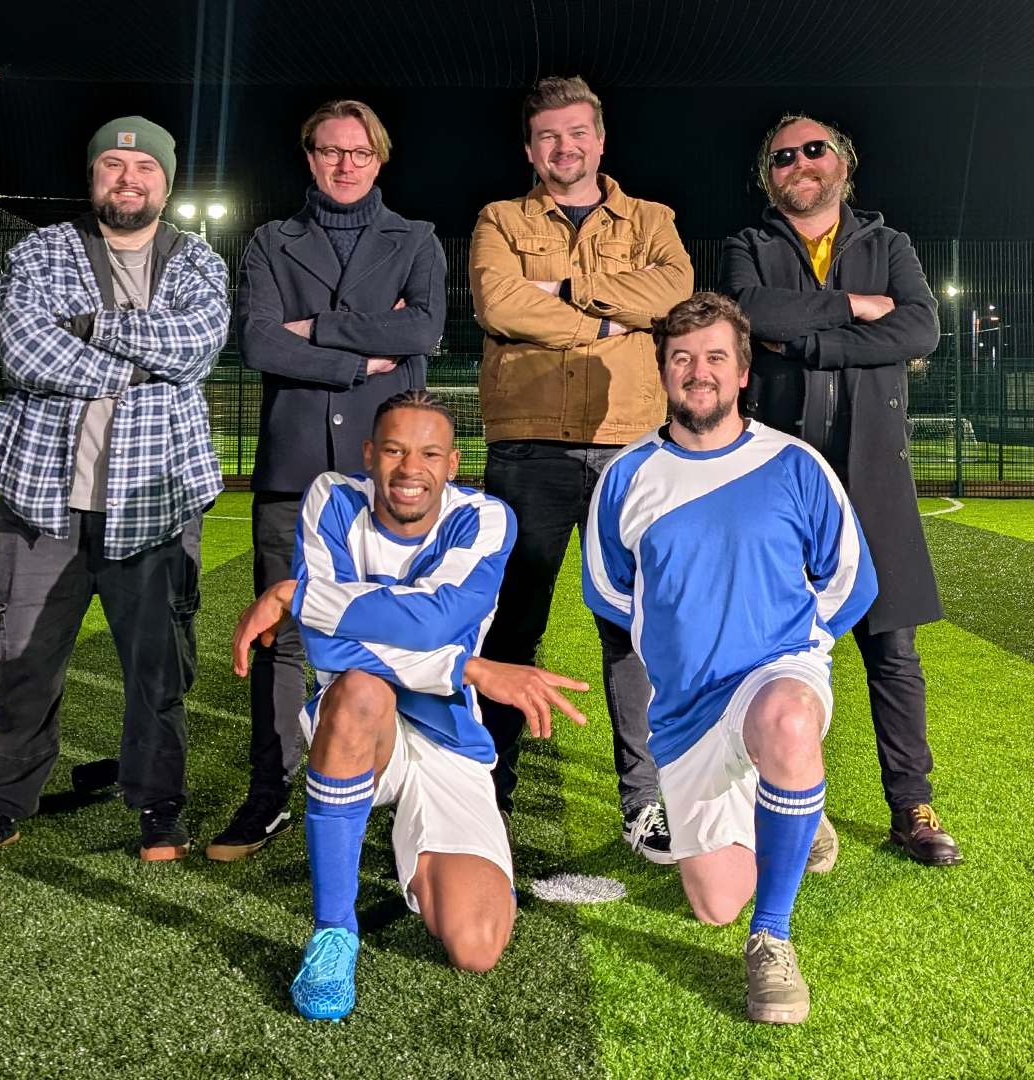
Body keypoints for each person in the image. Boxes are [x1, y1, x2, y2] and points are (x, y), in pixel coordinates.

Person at [233, 390, 589, 1020]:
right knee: (360, 691)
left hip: (450, 733)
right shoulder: (332, 498)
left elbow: (433, 621)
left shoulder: (485, 518)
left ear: (453, 464)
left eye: (429, 454)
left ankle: (421, 852)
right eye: (395, 450)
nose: (410, 469)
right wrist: (466, 667)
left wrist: (298, 596)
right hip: (358, 723)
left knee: (477, 945)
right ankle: (333, 932)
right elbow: (327, 648)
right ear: (370, 454)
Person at [0, 116, 230, 870]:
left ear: (166, 182)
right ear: (94, 174)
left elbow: (196, 346)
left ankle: (159, 805)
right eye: (113, 165)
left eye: (145, 168)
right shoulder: (41, 251)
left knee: (159, 668)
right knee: (20, 664)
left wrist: (93, 325)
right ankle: (3, 806)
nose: (129, 179)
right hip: (44, 500)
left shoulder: (196, 260)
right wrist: (141, 366)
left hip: (155, 501)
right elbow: (24, 349)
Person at [582, 293, 876, 1025]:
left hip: (776, 675)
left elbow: (850, 578)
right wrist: (681, 643)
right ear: (663, 372)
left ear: (743, 372)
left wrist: (797, 653)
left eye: (715, 357)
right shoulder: (627, 476)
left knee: (787, 721)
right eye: (682, 358)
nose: (698, 371)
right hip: (686, 708)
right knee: (715, 901)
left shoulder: (794, 464)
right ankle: (792, 799)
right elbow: (611, 591)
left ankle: (772, 936)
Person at [719, 114, 960, 867]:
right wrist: (856, 308)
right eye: (782, 156)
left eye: (813, 149)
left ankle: (911, 806)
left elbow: (919, 331)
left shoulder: (890, 245)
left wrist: (812, 344)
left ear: (843, 163)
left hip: (874, 478)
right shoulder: (748, 245)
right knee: (769, 650)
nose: (799, 162)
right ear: (768, 176)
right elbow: (751, 315)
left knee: (892, 649)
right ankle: (786, 798)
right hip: (776, 482)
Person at [210, 100, 448, 863]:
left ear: (381, 157)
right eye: (329, 150)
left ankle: (403, 787)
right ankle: (269, 792)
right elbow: (256, 342)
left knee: (400, 632)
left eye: (359, 151)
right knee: (281, 637)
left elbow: (423, 330)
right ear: (309, 156)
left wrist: (313, 329)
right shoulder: (271, 241)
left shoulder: (416, 239)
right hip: (294, 469)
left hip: (393, 474)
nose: (345, 164)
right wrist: (359, 360)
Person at [468, 75, 693, 862]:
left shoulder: (653, 219)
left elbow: (674, 293)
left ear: (600, 140)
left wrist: (566, 291)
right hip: (527, 447)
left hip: (629, 446)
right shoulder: (499, 219)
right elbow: (498, 305)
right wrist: (605, 321)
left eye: (576, 133)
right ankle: (487, 794)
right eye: (548, 137)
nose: (563, 148)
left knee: (632, 629)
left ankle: (645, 803)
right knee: (511, 626)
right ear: (530, 149)